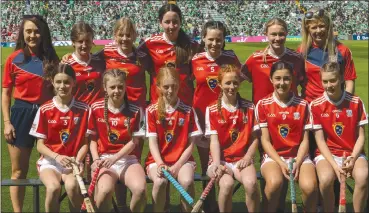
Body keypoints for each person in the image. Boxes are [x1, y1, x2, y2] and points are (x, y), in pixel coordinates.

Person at [1, 15, 59, 212]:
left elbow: (60, 89)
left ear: (43, 33)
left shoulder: (52, 59)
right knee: (18, 171)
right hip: (21, 114)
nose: (33, 35)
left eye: (36, 31)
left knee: (56, 167)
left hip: (47, 115)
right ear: (23, 33)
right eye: (29, 31)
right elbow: (6, 93)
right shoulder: (14, 58)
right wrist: (7, 122)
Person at [255, 61, 318, 212]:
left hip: (299, 156)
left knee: (310, 188)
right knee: (275, 183)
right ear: (271, 79)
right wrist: (281, 163)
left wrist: (297, 161)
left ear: (292, 80)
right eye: (278, 78)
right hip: (273, 157)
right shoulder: (263, 104)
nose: (282, 83)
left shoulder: (303, 105)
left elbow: (305, 140)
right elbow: (265, 140)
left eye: (286, 79)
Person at [29, 63, 89, 212]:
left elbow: (85, 143)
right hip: (50, 161)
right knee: (53, 188)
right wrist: (57, 157)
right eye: (59, 82)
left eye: (67, 82)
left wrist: (78, 160)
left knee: (72, 186)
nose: (62, 86)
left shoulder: (84, 109)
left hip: (73, 162)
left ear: (74, 83)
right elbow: (40, 145)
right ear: (53, 82)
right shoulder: (45, 109)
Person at [310, 62, 368, 212]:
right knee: (326, 179)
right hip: (327, 155)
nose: (329, 85)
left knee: (363, 177)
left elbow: (361, 136)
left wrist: (353, 158)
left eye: (332, 80)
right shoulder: (316, 105)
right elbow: (320, 141)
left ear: (341, 79)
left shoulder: (356, 102)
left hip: (352, 153)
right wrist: (335, 166)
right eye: (325, 81)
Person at [87, 69, 146, 212]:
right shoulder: (95, 107)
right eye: (112, 87)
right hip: (104, 159)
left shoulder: (136, 109)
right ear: (105, 88)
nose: (117, 90)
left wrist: (115, 157)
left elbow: (134, 142)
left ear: (126, 87)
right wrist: (95, 160)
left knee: (140, 190)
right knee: (104, 192)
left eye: (120, 86)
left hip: (128, 159)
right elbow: (92, 139)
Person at [145, 66, 202, 212]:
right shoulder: (151, 110)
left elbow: (191, 144)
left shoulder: (188, 110)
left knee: (187, 181)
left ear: (179, 85)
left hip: (183, 161)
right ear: (158, 87)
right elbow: (152, 142)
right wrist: (160, 164)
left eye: (174, 86)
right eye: (166, 87)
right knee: (160, 182)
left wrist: (177, 165)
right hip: (157, 161)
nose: (170, 90)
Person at [205, 64, 260, 212]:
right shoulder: (211, 110)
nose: (232, 86)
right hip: (220, 160)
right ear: (219, 84)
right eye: (227, 83)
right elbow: (214, 141)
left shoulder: (249, 107)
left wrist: (248, 157)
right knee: (227, 185)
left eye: (235, 82)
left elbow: (255, 138)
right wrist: (217, 163)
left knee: (251, 184)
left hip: (242, 159)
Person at [191, 20, 241, 175]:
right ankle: (209, 199)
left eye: (218, 39)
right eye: (211, 39)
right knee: (207, 164)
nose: (214, 43)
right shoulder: (195, 59)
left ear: (223, 40)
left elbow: (242, 76)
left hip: (226, 116)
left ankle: (223, 198)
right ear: (204, 39)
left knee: (226, 160)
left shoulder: (231, 57)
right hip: (201, 116)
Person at [137, 3, 198, 106]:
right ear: (160, 22)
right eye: (167, 22)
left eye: (175, 22)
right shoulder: (150, 43)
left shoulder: (192, 45)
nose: (171, 26)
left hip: (185, 103)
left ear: (180, 22)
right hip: (158, 102)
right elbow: (134, 58)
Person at [241, 18, 305, 105]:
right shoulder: (255, 59)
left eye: (281, 34)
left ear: (287, 33)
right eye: (273, 34)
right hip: (262, 114)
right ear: (266, 34)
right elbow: (234, 81)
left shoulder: (297, 58)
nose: (277, 38)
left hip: (291, 112)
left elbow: (306, 86)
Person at [298, 8, 356, 103]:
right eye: (314, 27)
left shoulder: (342, 50)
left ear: (328, 26)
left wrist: (344, 104)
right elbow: (295, 81)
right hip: (310, 106)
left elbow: (349, 82)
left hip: (335, 107)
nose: (318, 30)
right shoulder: (302, 51)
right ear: (308, 29)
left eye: (322, 26)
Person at [64, 21, 106, 105]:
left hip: (97, 113)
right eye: (80, 41)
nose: (84, 45)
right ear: (73, 42)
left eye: (87, 41)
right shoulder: (66, 65)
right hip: (78, 114)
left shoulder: (100, 61)